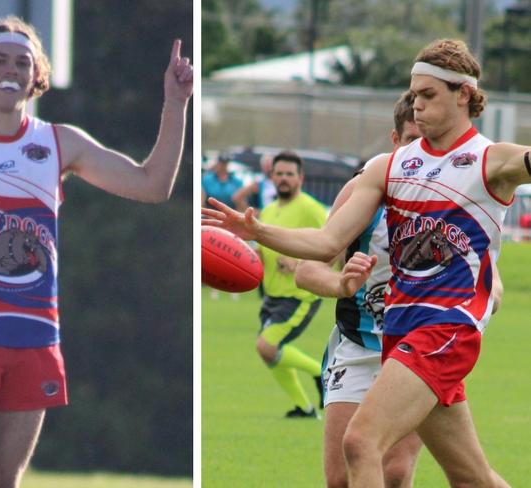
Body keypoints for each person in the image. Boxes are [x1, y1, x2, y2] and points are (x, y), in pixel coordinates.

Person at [0, 16, 192, 488]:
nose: (11, 69)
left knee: (4, 483)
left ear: (37, 74)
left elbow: (152, 185)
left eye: (23, 61)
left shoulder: (59, 142)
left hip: (36, 340)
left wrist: (175, 103)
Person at [203, 38, 528, 487]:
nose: (417, 106)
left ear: (464, 96)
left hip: (445, 329)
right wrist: (259, 232)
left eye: (428, 95)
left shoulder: (492, 160)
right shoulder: (389, 167)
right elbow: (327, 241)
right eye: (413, 95)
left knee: (361, 443)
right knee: (471, 478)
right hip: (397, 330)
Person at [293, 91, 424, 487]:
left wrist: (494, 291)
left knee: (396, 473)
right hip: (357, 344)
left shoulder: (451, 198)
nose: (419, 157)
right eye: (410, 143)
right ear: (394, 141)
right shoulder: (362, 191)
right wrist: (340, 283)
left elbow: (484, 267)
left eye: (428, 145)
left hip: (417, 349)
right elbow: (307, 270)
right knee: (340, 480)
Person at [256, 151, 327, 418]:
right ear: (271, 177)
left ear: (301, 178)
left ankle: (321, 372)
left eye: (289, 174)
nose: (284, 179)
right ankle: (304, 407)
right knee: (269, 353)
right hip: (272, 295)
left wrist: (298, 265)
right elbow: (263, 249)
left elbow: (332, 249)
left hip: (299, 296)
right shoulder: (269, 210)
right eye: (279, 174)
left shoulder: (311, 209)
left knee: (266, 346)